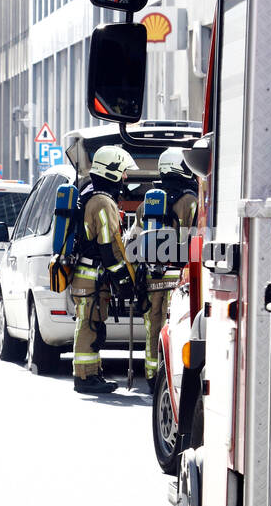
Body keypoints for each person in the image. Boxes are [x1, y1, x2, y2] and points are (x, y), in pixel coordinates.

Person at [71, 144, 137, 394]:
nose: (126, 178)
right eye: (123, 172)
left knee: (93, 324)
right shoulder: (102, 201)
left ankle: (92, 374)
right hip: (91, 277)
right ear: (111, 171)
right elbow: (108, 245)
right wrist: (122, 277)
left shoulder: (90, 193)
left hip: (87, 275)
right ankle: (85, 378)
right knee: (89, 325)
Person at [143, 147, 198, 381]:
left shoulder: (148, 201)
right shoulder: (190, 200)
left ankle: (151, 374)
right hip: (175, 275)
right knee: (172, 326)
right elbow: (194, 238)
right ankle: (168, 374)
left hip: (151, 276)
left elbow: (137, 240)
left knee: (152, 325)